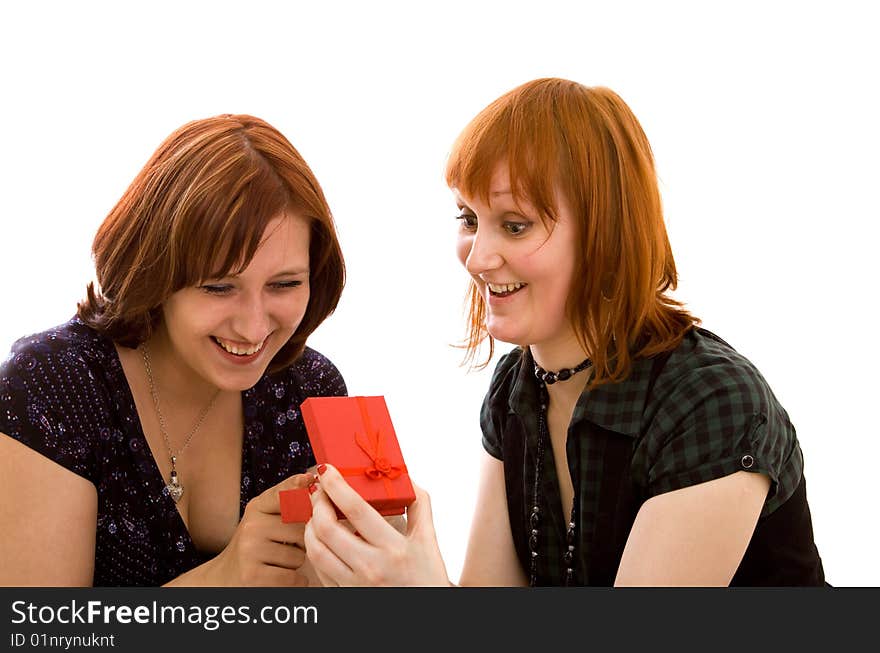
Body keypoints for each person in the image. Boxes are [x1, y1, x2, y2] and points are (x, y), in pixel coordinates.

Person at [303, 78, 827, 586]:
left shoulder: (709, 402)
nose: (478, 258)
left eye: (514, 225)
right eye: (468, 218)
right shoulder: (519, 385)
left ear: (606, 233)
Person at [0, 114, 346, 586]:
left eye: (284, 284)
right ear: (156, 275)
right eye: (219, 288)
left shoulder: (310, 389)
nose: (253, 326)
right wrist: (226, 576)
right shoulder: (51, 387)